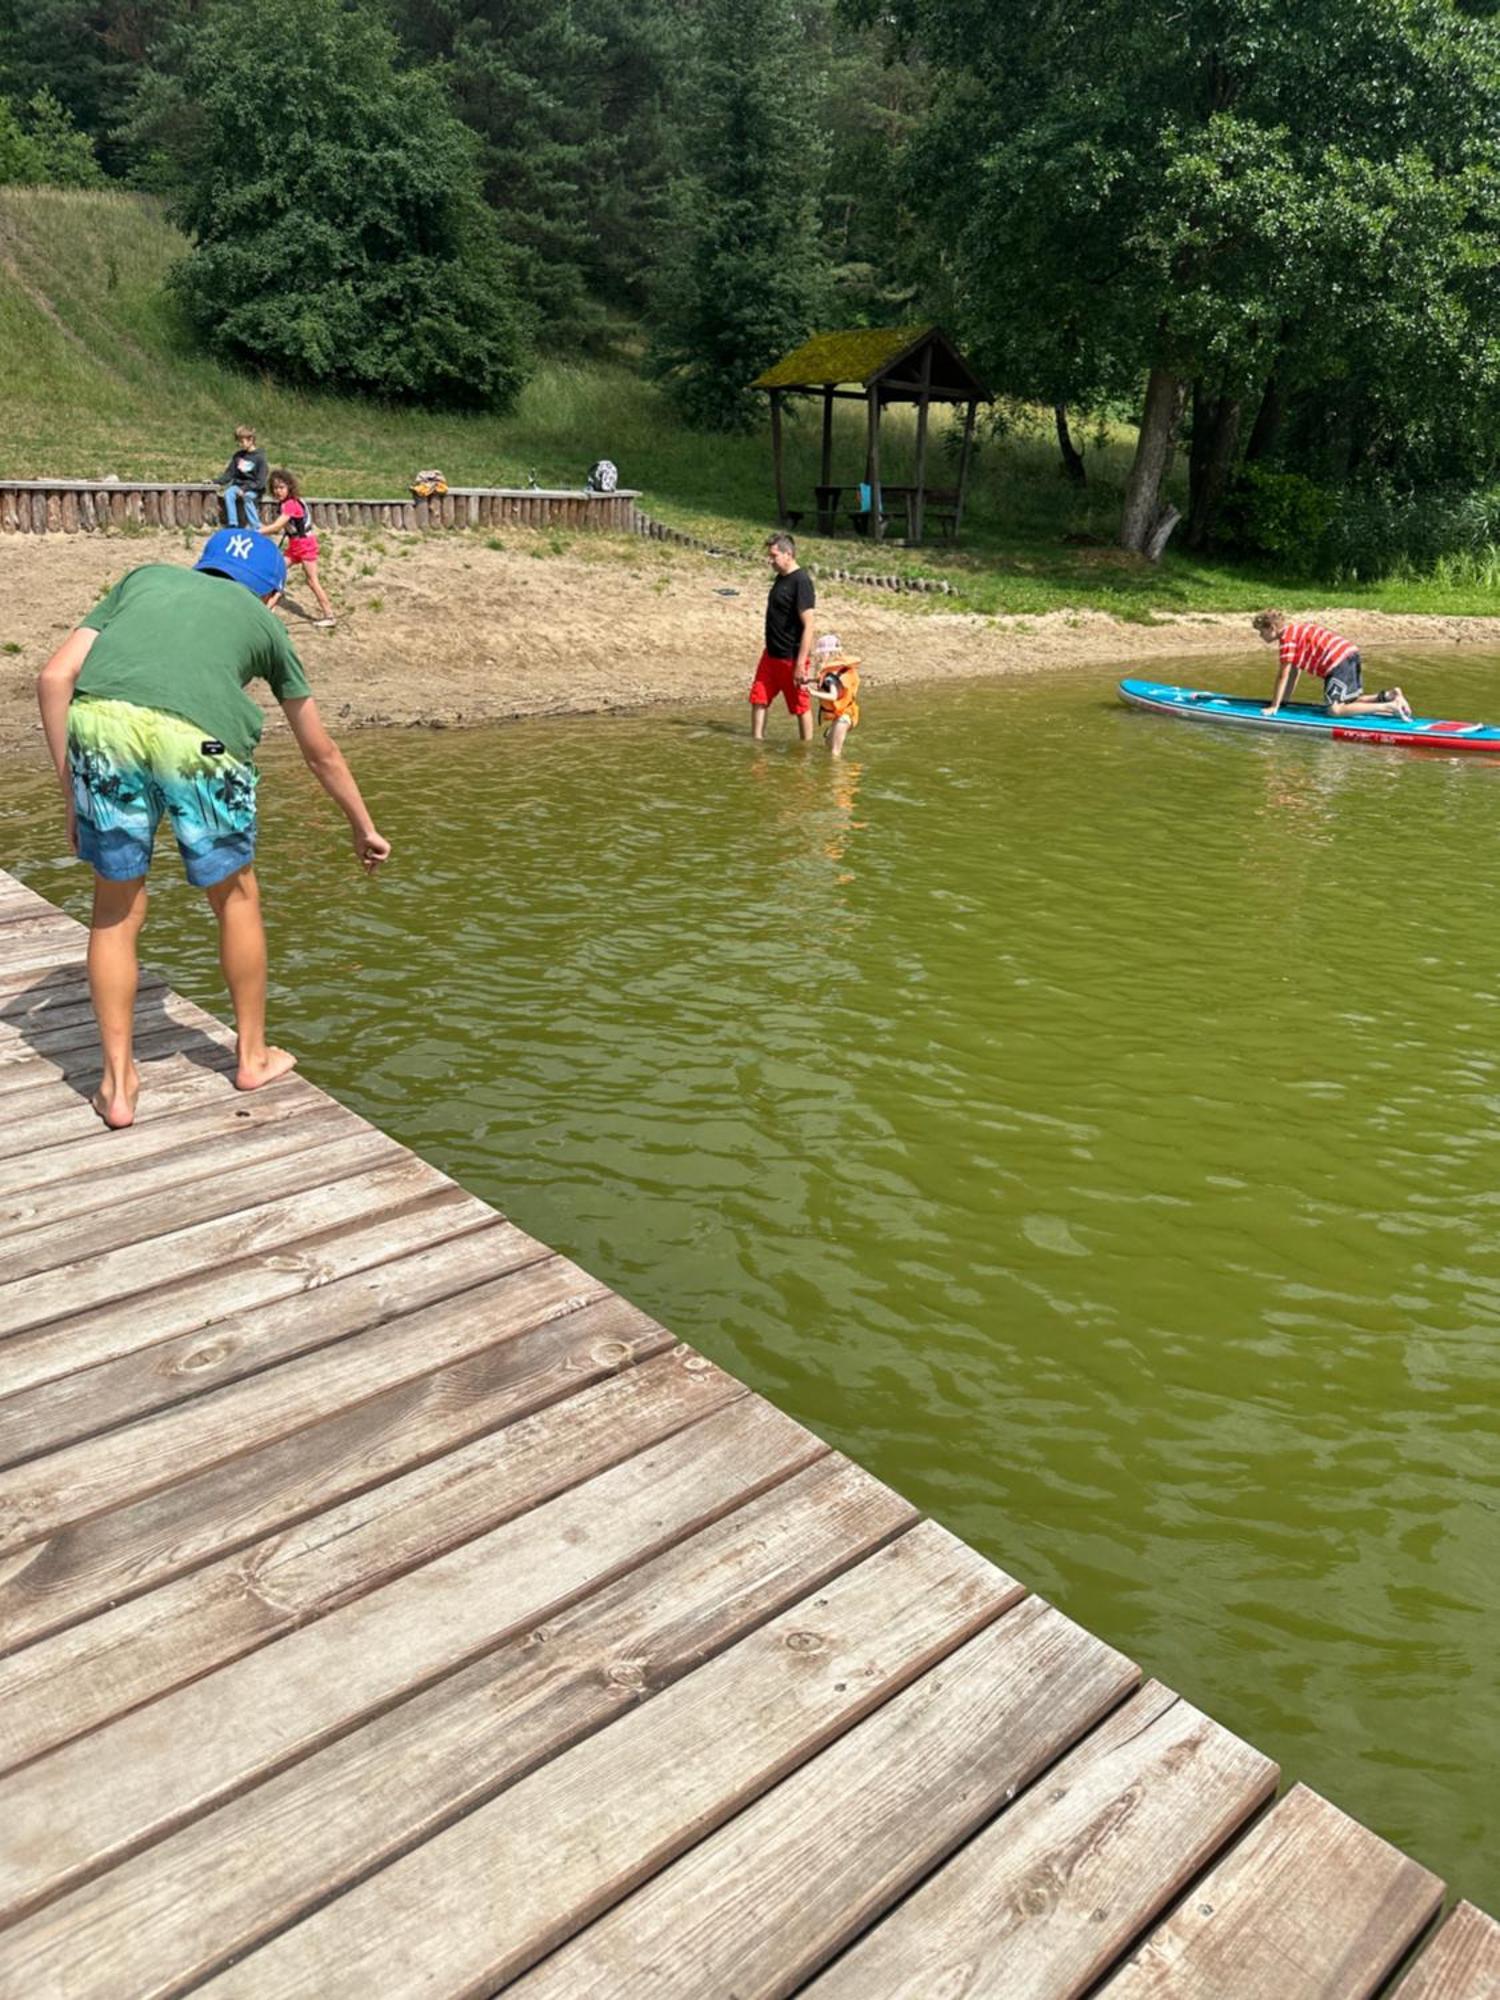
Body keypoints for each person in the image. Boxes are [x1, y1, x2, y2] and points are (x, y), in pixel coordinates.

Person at [35, 529, 390, 1131]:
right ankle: (251, 1057)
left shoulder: (143, 576)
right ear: (272, 598)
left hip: (102, 729)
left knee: (114, 912)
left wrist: (73, 793)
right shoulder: (269, 624)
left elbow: (53, 678)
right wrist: (363, 827)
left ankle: (117, 1087)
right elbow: (319, 751)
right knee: (236, 898)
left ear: (200, 567)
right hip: (202, 743)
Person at [1254, 610, 1412, 720]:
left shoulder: (1287, 641)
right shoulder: (1295, 630)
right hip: (1350, 654)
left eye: (1262, 632)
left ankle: (1389, 706)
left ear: (1272, 628)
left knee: (1334, 710)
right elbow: (1294, 673)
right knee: (1349, 703)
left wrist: (1273, 707)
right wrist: (1284, 702)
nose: (1261, 636)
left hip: (1337, 662)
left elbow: (1283, 675)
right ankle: (1389, 695)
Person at [750, 532, 816, 742]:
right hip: (771, 655)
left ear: (788, 554)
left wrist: (800, 664)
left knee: (800, 706)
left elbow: (809, 625)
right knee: (759, 698)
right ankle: (757, 744)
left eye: (774, 556)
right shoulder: (781, 578)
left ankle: (805, 751)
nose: (770, 561)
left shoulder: (801, 581)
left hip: (792, 657)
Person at [260, 468, 336, 627]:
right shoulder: (286, 503)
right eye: (275, 488)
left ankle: (329, 616)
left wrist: (255, 532)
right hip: (295, 546)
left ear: (289, 487)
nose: (278, 491)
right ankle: (269, 605)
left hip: (305, 545)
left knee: (312, 581)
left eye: (281, 487)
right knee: (276, 570)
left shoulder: (291, 504)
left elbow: (276, 527)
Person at [802, 632, 861, 756]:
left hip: (844, 717)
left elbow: (833, 696)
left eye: (821, 655)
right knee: (828, 746)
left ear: (828, 654)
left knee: (835, 753)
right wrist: (809, 681)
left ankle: (838, 774)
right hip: (845, 713)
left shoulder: (832, 676)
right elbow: (825, 683)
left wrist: (813, 692)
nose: (818, 658)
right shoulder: (837, 671)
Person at [214, 425, 268, 530]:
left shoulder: (260, 458)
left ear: (251, 440)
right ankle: (233, 523)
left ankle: (255, 526)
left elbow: (260, 481)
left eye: (241, 441)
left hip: (254, 488)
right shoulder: (238, 456)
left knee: (247, 496)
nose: (239, 444)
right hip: (239, 486)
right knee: (229, 492)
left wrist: (245, 489)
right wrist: (215, 481)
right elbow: (229, 474)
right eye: (238, 442)